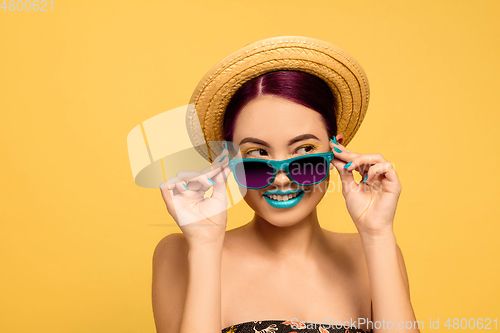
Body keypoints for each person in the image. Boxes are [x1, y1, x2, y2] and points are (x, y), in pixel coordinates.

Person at [151, 37, 419, 333]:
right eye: (258, 154)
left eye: (304, 151)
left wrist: (377, 232)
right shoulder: (181, 255)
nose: (281, 177)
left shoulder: (373, 252)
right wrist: (204, 243)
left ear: (335, 150)